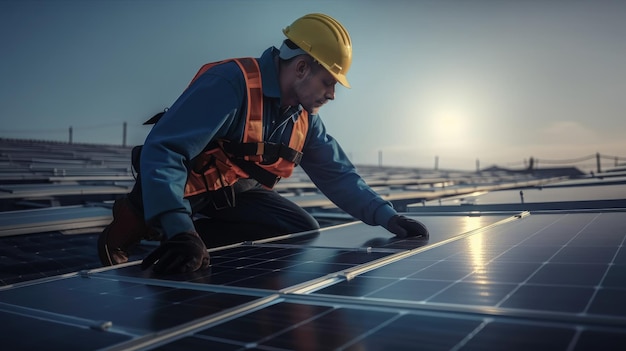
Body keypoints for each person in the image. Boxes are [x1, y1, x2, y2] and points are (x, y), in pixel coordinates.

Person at [98, 13, 428, 275]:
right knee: (163, 206)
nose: (331, 94)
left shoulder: (305, 120)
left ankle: (188, 244)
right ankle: (138, 225)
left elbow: (338, 175)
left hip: (232, 193)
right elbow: (165, 150)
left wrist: (389, 217)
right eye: (328, 82)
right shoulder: (231, 83)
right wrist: (178, 224)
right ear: (301, 67)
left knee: (297, 228)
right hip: (182, 183)